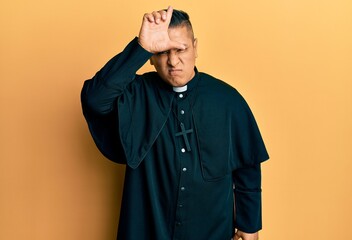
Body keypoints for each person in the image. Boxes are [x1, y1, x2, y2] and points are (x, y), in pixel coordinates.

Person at [81, 6, 269, 240]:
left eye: (181, 49)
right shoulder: (135, 94)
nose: (173, 61)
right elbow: (94, 99)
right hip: (146, 229)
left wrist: (249, 224)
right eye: (162, 52)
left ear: (195, 48)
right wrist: (140, 47)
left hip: (212, 231)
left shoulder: (228, 100)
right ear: (151, 57)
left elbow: (248, 167)